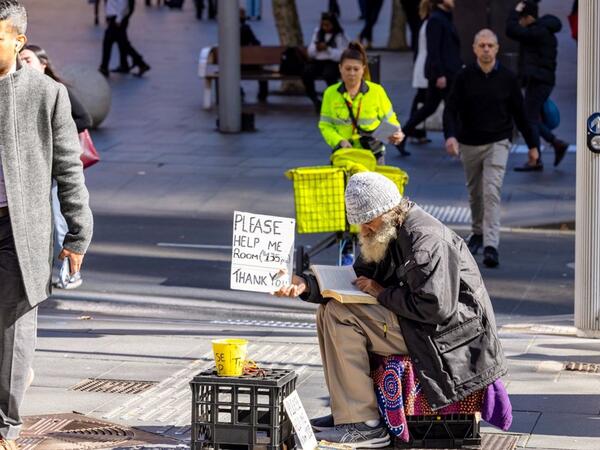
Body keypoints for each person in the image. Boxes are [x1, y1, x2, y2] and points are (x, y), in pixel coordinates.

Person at [275, 172, 507, 448]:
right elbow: (361, 272)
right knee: (328, 310)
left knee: (341, 314)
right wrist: (306, 285)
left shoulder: (425, 242)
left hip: (448, 339)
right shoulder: (390, 229)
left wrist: (382, 293)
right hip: (422, 324)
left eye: (367, 222)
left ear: (387, 211)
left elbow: (436, 307)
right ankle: (349, 413)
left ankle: (366, 425)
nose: (364, 230)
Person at [0, 1, 93, 447]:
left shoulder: (44, 93)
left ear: (18, 41)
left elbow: (68, 168)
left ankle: (3, 427)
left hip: (19, 231)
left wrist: (78, 233)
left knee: (13, 332)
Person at [444, 29, 538, 268]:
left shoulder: (508, 78)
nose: (486, 49)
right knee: (475, 192)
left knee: (491, 192)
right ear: (474, 48)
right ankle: (477, 232)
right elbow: (450, 110)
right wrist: (451, 137)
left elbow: (520, 113)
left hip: (498, 141)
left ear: (497, 49)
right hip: (469, 142)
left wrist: (533, 145)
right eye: (482, 45)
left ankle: (491, 245)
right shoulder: (463, 77)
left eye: (490, 45)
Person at [20, 44, 93, 287]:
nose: (23, 64)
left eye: (28, 60)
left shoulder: (53, 91)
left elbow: (85, 118)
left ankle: (69, 271)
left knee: (59, 217)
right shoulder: (17, 91)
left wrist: (58, 133)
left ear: (43, 64)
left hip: (52, 166)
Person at [506, 0, 568, 171]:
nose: (520, 22)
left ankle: (538, 157)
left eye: (521, 18)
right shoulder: (542, 30)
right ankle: (555, 144)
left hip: (539, 80)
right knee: (531, 118)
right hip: (542, 79)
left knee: (529, 119)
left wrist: (515, 11)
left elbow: (510, 30)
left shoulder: (537, 32)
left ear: (527, 17)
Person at [319, 42, 404, 166]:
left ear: (363, 69)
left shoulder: (376, 91)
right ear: (340, 68)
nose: (352, 73)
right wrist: (339, 141)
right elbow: (325, 125)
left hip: (372, 154)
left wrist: (397, 133)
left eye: (356, 69)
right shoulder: (330, 93)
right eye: (348, 69)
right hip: (344, 155)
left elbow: (390, 119)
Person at [396, 0, 461, 155]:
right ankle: (454, 141)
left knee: (431, 107)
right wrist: (440, 74)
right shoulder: (436, 20)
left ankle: (402, 136)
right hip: (442, 75)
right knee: (449, 108)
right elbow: (434, 51)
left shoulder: (444, 17)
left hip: (447, 73)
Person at [404, 0, 434, 153]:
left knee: (423, 100)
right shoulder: (431, 22)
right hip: (428, 67)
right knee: (424, 100)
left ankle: (412, 131)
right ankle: (410, 131)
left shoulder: (426, 22)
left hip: (424, 65)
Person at [302, 12, 348, 111]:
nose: (325, 27)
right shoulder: (318, 33)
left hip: (332, 62)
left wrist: (328, 49)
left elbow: (342, 54)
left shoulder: (339, 35)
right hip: (318, 61)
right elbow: (310, 52)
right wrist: (316, 49)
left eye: (328, 25)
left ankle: (334, 99)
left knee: (329, 75)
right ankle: (315, 99)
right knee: (306, 73)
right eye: (323, 25)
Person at [99, 0, 150, 77]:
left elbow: (123, 3)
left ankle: (104, 68)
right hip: (115, 17)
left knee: (110, 42)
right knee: (123, 43)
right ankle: (141, 63)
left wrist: (118, 19)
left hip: (117, 18)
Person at [240, 8, 268, 102]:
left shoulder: (226, 30)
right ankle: (262, 95)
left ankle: (239, 91)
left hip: (232, 66)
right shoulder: (246, 28)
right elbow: (256, 43)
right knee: (261, 72)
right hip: (247, 64)